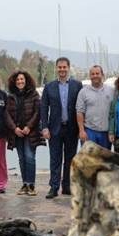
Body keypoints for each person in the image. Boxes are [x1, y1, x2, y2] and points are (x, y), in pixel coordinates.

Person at [40, 57, 83, 199]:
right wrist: (44, 127)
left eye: (64, 67)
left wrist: (82, 128)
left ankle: (67, 186)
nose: (62, 70)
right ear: (56, 68)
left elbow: (81, 107)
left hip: (72, 128)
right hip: (54, 129)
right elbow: (44, 108)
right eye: (59, 67)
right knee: (55, 159)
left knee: (70, 159)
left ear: (68, 68)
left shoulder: (77, 85)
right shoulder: (49, 86)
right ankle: (54, 187)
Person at [5, 71, 45, 196]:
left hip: (30, 132)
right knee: (22, 159)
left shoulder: (34, 94)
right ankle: (24, 184)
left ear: (26, 80)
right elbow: (6, 114)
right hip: (17, 133)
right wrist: (14, 129)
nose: (20, 82)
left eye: (22, 79)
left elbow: (38, 112)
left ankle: (31, 185)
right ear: (14, 82)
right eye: (17, 80)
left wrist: (29, 126)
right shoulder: (11, 96)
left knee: (29, 157)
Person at [76, 65, 113, 149]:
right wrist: (81, 131)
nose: (95, 76)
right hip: (89, 131)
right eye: (92, 74)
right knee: (89, 161)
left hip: (106, 133)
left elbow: (115, 112)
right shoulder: (83, 92)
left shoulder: (111, 91)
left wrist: (113, 132)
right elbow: (79, 112)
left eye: (97, 73)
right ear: (90, 76)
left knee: (104, 161)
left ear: (102, 75)